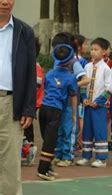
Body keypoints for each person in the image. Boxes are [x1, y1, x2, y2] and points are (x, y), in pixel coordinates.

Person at [0, 0, 37, 195]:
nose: (5, 1)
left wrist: (27, 107)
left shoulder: (23, 31)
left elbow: (30, 72)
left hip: (10, 103)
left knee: (10, 162)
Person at [37, 45, 78, 181]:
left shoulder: (49, 73)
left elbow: (45, 88)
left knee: (47, 139)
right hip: (55, 110)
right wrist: (73, 114)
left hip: (44, 108)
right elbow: (73, 96)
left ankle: (48, 167)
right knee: (51, 140)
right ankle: (42, 170)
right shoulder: (71, 77)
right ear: (70, 60)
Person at [51, 32, 89, 167]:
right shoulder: (56, 60)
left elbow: (86, 80)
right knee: (59, 129)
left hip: (69, 103)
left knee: (68, 129)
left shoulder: (74, 62)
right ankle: (58, 154)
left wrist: (71, 85)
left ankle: (68, 156)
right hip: (57, 102)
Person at [75, 38, 112, 168]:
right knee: (87, 130)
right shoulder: (87, 66)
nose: (92, 52)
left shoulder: (106, 69)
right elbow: (84, 84)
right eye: (92, 49)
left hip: (99, 107)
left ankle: (101, 158)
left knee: (100, 130)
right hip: (88, 105)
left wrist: (99, 101)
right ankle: (86, 156)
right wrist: (84, 98)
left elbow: (109, 89)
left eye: (96, 49)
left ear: (104, 52)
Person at [22, 37, 43, 167]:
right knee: (23, 128)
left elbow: (35, 87)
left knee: (26, 128)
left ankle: (29, 149)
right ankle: (27, 149)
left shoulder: (36, 67)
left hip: (30, 103)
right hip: (25, 102)